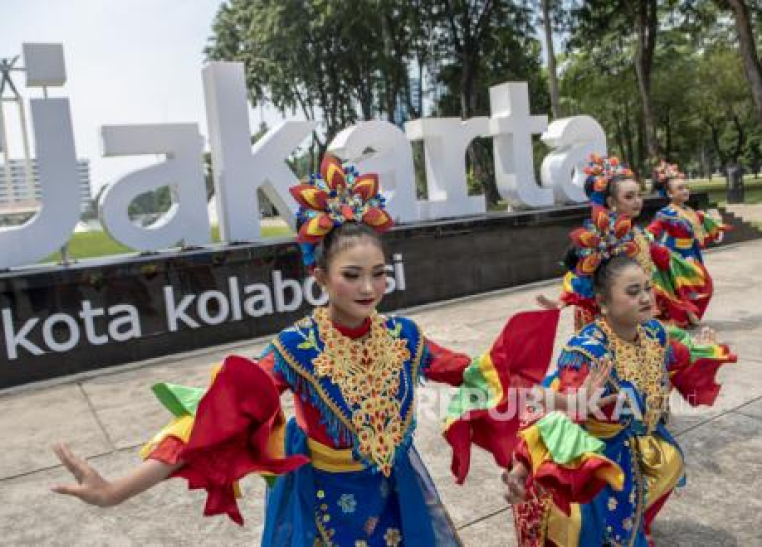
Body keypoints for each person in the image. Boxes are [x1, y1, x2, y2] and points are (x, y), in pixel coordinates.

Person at [50, 155, 562, 546]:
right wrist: (118, 489)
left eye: (379, 273)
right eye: (352, 275)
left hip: (399, 498)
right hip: (324, 508)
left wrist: (556, 396)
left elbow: (482, 378)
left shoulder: (406, 338)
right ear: (319, 277)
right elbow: (214, 421)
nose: (369, 287)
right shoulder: (295, 348)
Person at [503, 210, 736, 546]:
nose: (645, 297)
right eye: (632, 291)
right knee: (593, 533)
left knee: (666, 466)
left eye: (646, 288)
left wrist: (704, 348)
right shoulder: (588, 353)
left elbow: (678, 358)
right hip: (591, 462)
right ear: (603, 302)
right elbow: (542, 404)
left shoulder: (654, 332)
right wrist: (575, 404)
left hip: (637, 449)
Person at [537, 154, 710, 329]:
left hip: (634, 313)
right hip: (609, 321)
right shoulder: (605, 237)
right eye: (629, 197)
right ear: (611, 202)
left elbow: (659, 257)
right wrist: (564, 300)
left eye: (638, 195)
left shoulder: (634, 231)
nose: (637, 202)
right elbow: (582, 273)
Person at [648, 160, 731, 321]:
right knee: (682, 288)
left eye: (686, 187)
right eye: (680, 188)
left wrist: (717, 229)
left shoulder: (693, 212)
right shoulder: (665, 213)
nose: (685, 190)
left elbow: (709, 225)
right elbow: (653, 230)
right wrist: (648, 238)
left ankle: (689, 313)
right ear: (670, 194)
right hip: (675, 256)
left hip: (692, 253)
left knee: (703, 284)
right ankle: (685, 316)